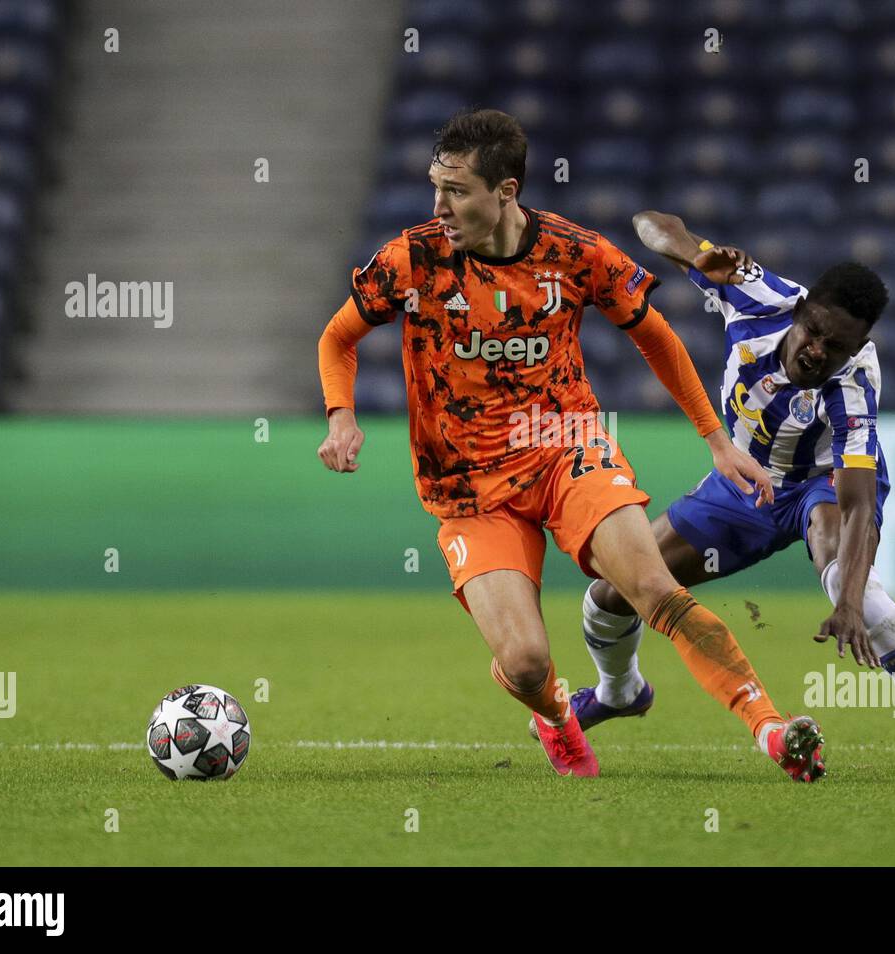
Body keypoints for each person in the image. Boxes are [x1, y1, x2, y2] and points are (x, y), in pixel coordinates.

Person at [317, 111, 825, 781]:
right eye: (435, 187)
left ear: (506, 191)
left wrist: (716, 440)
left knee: (650, 584)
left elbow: (656, 336)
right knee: (524, 663)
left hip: (566, 448)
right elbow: (337, 338)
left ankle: (772, 730)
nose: (438, 206)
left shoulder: (575, 253)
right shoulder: (410, 261)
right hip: (468, 488)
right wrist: (340, 417)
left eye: (457, 191)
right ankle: (556, 714)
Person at [558, 209, 895, 778]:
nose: (818, 349)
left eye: (836, 345)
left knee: (857, 589)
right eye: (813, 330)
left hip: (819, 485)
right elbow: (654, 224)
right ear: (798, 311)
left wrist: (845, 603)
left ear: (857, 347)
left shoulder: (853, 385)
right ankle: (620, 691)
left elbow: (859, 504)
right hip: (743, 482)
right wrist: (696, 254)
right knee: (612, 590)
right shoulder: (754, 294)